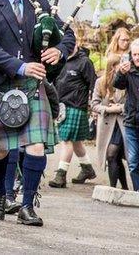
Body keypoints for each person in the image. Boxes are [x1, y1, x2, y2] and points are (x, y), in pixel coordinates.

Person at [0, 0, 75, 227]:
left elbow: (68, 34)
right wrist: (20, 66)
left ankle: (27, 205)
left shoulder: (39, 4)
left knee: (36, 146)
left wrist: (59, 51)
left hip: (32, 86)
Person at [49, 34, 97, 188]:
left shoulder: (85, 62)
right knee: (76, 141)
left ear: (76, 44)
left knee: (67, 140)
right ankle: (87, 168)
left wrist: (93, 105)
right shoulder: (59, 62)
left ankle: (60, 176)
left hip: (76, 106)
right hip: (61, 106)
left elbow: (94, 85)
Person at [91, 70, 129, 189]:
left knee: (112, 154)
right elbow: (94, 104)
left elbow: (134, 103)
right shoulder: (101, 82)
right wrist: (107, 109)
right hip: (108, 125)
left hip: (124, 124)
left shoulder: (130, 80)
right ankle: (123, 188)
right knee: (114, 157)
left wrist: (120, 108)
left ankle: (113, 188)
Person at [112, 38, 139, 190]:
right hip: (131, 122)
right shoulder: (128, 70)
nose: (137, 57)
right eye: (134, 54)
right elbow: (117, 85)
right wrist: (121, 72)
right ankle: (137, 192)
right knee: (133, 161)